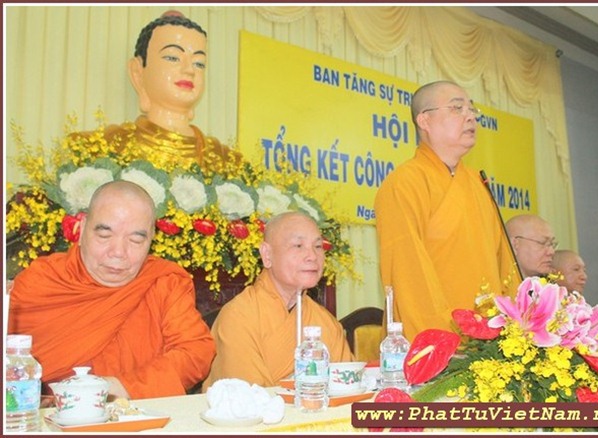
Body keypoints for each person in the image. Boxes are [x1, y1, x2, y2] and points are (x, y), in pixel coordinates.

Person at [8, 181, 216, 399]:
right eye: (104, 236)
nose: (118, 252)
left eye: (136, 240)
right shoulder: (41, 281)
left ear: (151, 239)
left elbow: (195, 352)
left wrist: (116, 387)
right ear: (82, 228)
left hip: (138, 414)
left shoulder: (163, 282)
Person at [374, 80, 520, 340]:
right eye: (457, 108)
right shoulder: (404, 183)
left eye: (472, 109)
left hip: (492, 340)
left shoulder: (478, 183)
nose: (470, 117)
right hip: (440, 340)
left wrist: (518, 330)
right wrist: (441, 340)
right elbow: (408, 272)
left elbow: (504, 263)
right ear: (425, 121)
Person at [202, 211, 354, 390]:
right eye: (298, 245)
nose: (312, 256)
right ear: (267, 255)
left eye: (318, 246)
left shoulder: (326, 322)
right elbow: (247, 397)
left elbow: (348, 387)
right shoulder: (239, 316)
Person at [76, 11, 241, 172]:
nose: (190, 70)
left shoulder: (228, 162)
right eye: (173, 58)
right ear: (138, 72)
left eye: (199, 63)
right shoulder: (98, 148)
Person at [505, 213, 558, 278]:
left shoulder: (550, 282)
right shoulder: (496, 281)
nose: (551, 252)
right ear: (514, 245)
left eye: (552, 244)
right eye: (542, 242)